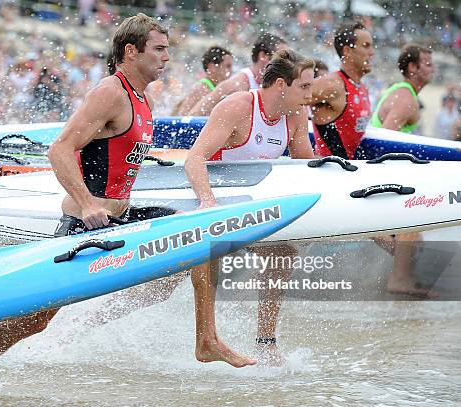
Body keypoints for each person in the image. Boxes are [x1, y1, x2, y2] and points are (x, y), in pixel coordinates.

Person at [0, 13, 173, 391]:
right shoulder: (111, 92)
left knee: (176, 263)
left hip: (120, 221)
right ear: (131, 51)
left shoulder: (143, 99)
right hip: (87, 224)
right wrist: (88, 204)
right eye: (159, 49)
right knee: (36, 317)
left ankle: (82, 329)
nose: (166, 57)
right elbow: (60, 150)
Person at [185, 49, 316, 367]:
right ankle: (84, 326)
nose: (310, 97)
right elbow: (194, 158)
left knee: (283, 254)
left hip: (250, 212)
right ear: (282, 84)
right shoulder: (239, 106)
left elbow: (309, 167)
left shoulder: (295, 116)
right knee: (157, 290)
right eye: (305, 88)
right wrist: (207, 203)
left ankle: (266, 342)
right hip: (211, 206)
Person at [370, 44, 436, 297]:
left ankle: (399, 276)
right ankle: (399, 278)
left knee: (415, 242)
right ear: (412, 67)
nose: (433, 69)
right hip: (380, 170)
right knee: (413, 219)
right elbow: (385, 140)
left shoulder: (404, 93)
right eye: (428, 64)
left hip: (383, 169)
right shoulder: (406, 98)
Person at [310, 22, 374, 159]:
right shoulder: (332, 84)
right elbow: (288, 97)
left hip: (346, 170)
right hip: (327, 170)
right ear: (347, 51)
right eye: (366, 46)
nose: (372, 52)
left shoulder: (362, 88)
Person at [189, 33, 288, 116]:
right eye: (282, 57)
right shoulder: (237, 84)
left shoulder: (279, 85)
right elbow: (192, 117)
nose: (287, 63)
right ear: (263, 56)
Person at [172, 46, 233, 115]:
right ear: (212, 67)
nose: (231, 70)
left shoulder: (212, 89)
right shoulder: (201, 90)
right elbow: (182, 118)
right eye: (228, 66)